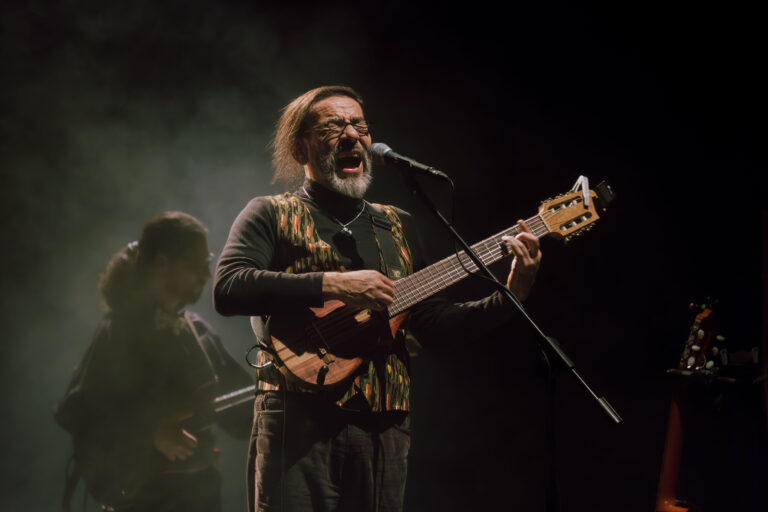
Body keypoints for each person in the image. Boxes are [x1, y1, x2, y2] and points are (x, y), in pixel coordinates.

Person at [213, 86, 542, 512]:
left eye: (359, 125)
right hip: (297, 420)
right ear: (299, 149)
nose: (352, 135)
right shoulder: (269, 213)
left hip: (384, 426)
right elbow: (230, 287)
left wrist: (513, 293)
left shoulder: (397, 225)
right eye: (333, 127)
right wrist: (334, 284)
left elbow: (434, 325)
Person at [55, 211, 253, 512]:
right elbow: (80, 416)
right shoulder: (119, 333)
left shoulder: (197, 331)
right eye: (196, 264)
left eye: (207, 262)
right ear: (162, 263)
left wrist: (290, 388)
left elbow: (244, 416)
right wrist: (151, 433)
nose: (206, 274)